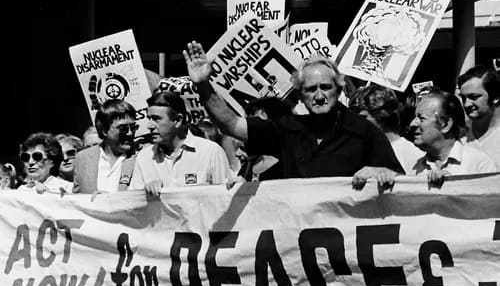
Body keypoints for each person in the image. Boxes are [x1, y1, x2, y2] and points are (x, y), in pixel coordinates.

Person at [183, 42, 403, 184]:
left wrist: (379, 173)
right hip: (300, 248)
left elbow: (402, 183)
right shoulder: (286, 129)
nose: (318, 96)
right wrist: (203, 85)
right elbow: (230, 125)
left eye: (325, 87)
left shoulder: (365, 132)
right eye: (310, 89)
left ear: (339, 89)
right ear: (300, 95)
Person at [129, 89, 231, 196]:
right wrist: (144, 194)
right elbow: (133, 206)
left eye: (156, 119)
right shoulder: (144, 158)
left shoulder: (210, 152)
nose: (149, 126)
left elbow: (225, 199)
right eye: (149, 118)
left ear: (178, 120)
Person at [407, 89, 496, 184]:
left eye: (422, 118)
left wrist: (453, 185)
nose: (412, 124)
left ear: (445, 125)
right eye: (414, 118)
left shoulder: (479, 164)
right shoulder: (414, 167)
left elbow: (490, 197)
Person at [349, 84, 423, 174]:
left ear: (381, 115)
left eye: (363, 117)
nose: (357, 123)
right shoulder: (358, 151)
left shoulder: (411, 154)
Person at [73, 100, 137, 194]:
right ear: (104, 130)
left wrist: (109, 200)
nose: (130, 133)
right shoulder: (82, 158)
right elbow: (77, 198)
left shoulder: (141, 156)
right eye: (123, 129)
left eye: (133, 127)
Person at [457, 65, 500, 170]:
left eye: (474, 97)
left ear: (495, 97)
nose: (466, 104)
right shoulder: (458, 135)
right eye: (463, 98)